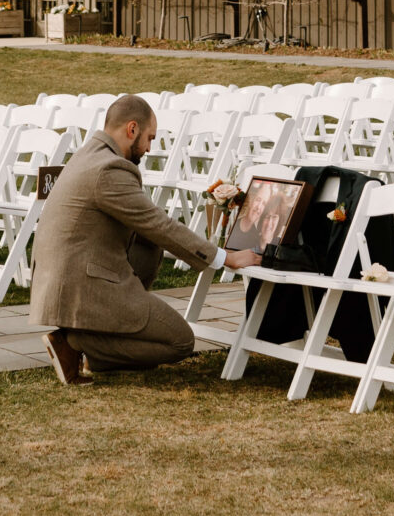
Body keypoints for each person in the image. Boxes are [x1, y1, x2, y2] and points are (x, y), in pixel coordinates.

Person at [30, 93, 264, 383]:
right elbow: (158, 223)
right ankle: (75, 341)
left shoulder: (89, 154)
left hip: (65, 277)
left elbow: (150, 229)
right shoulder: (109, 169)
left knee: (148, 244)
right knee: (179, 341)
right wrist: (224, 257)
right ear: (131, 129)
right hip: (80, 282)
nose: (150, 147)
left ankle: (92, 347)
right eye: (149, 138)